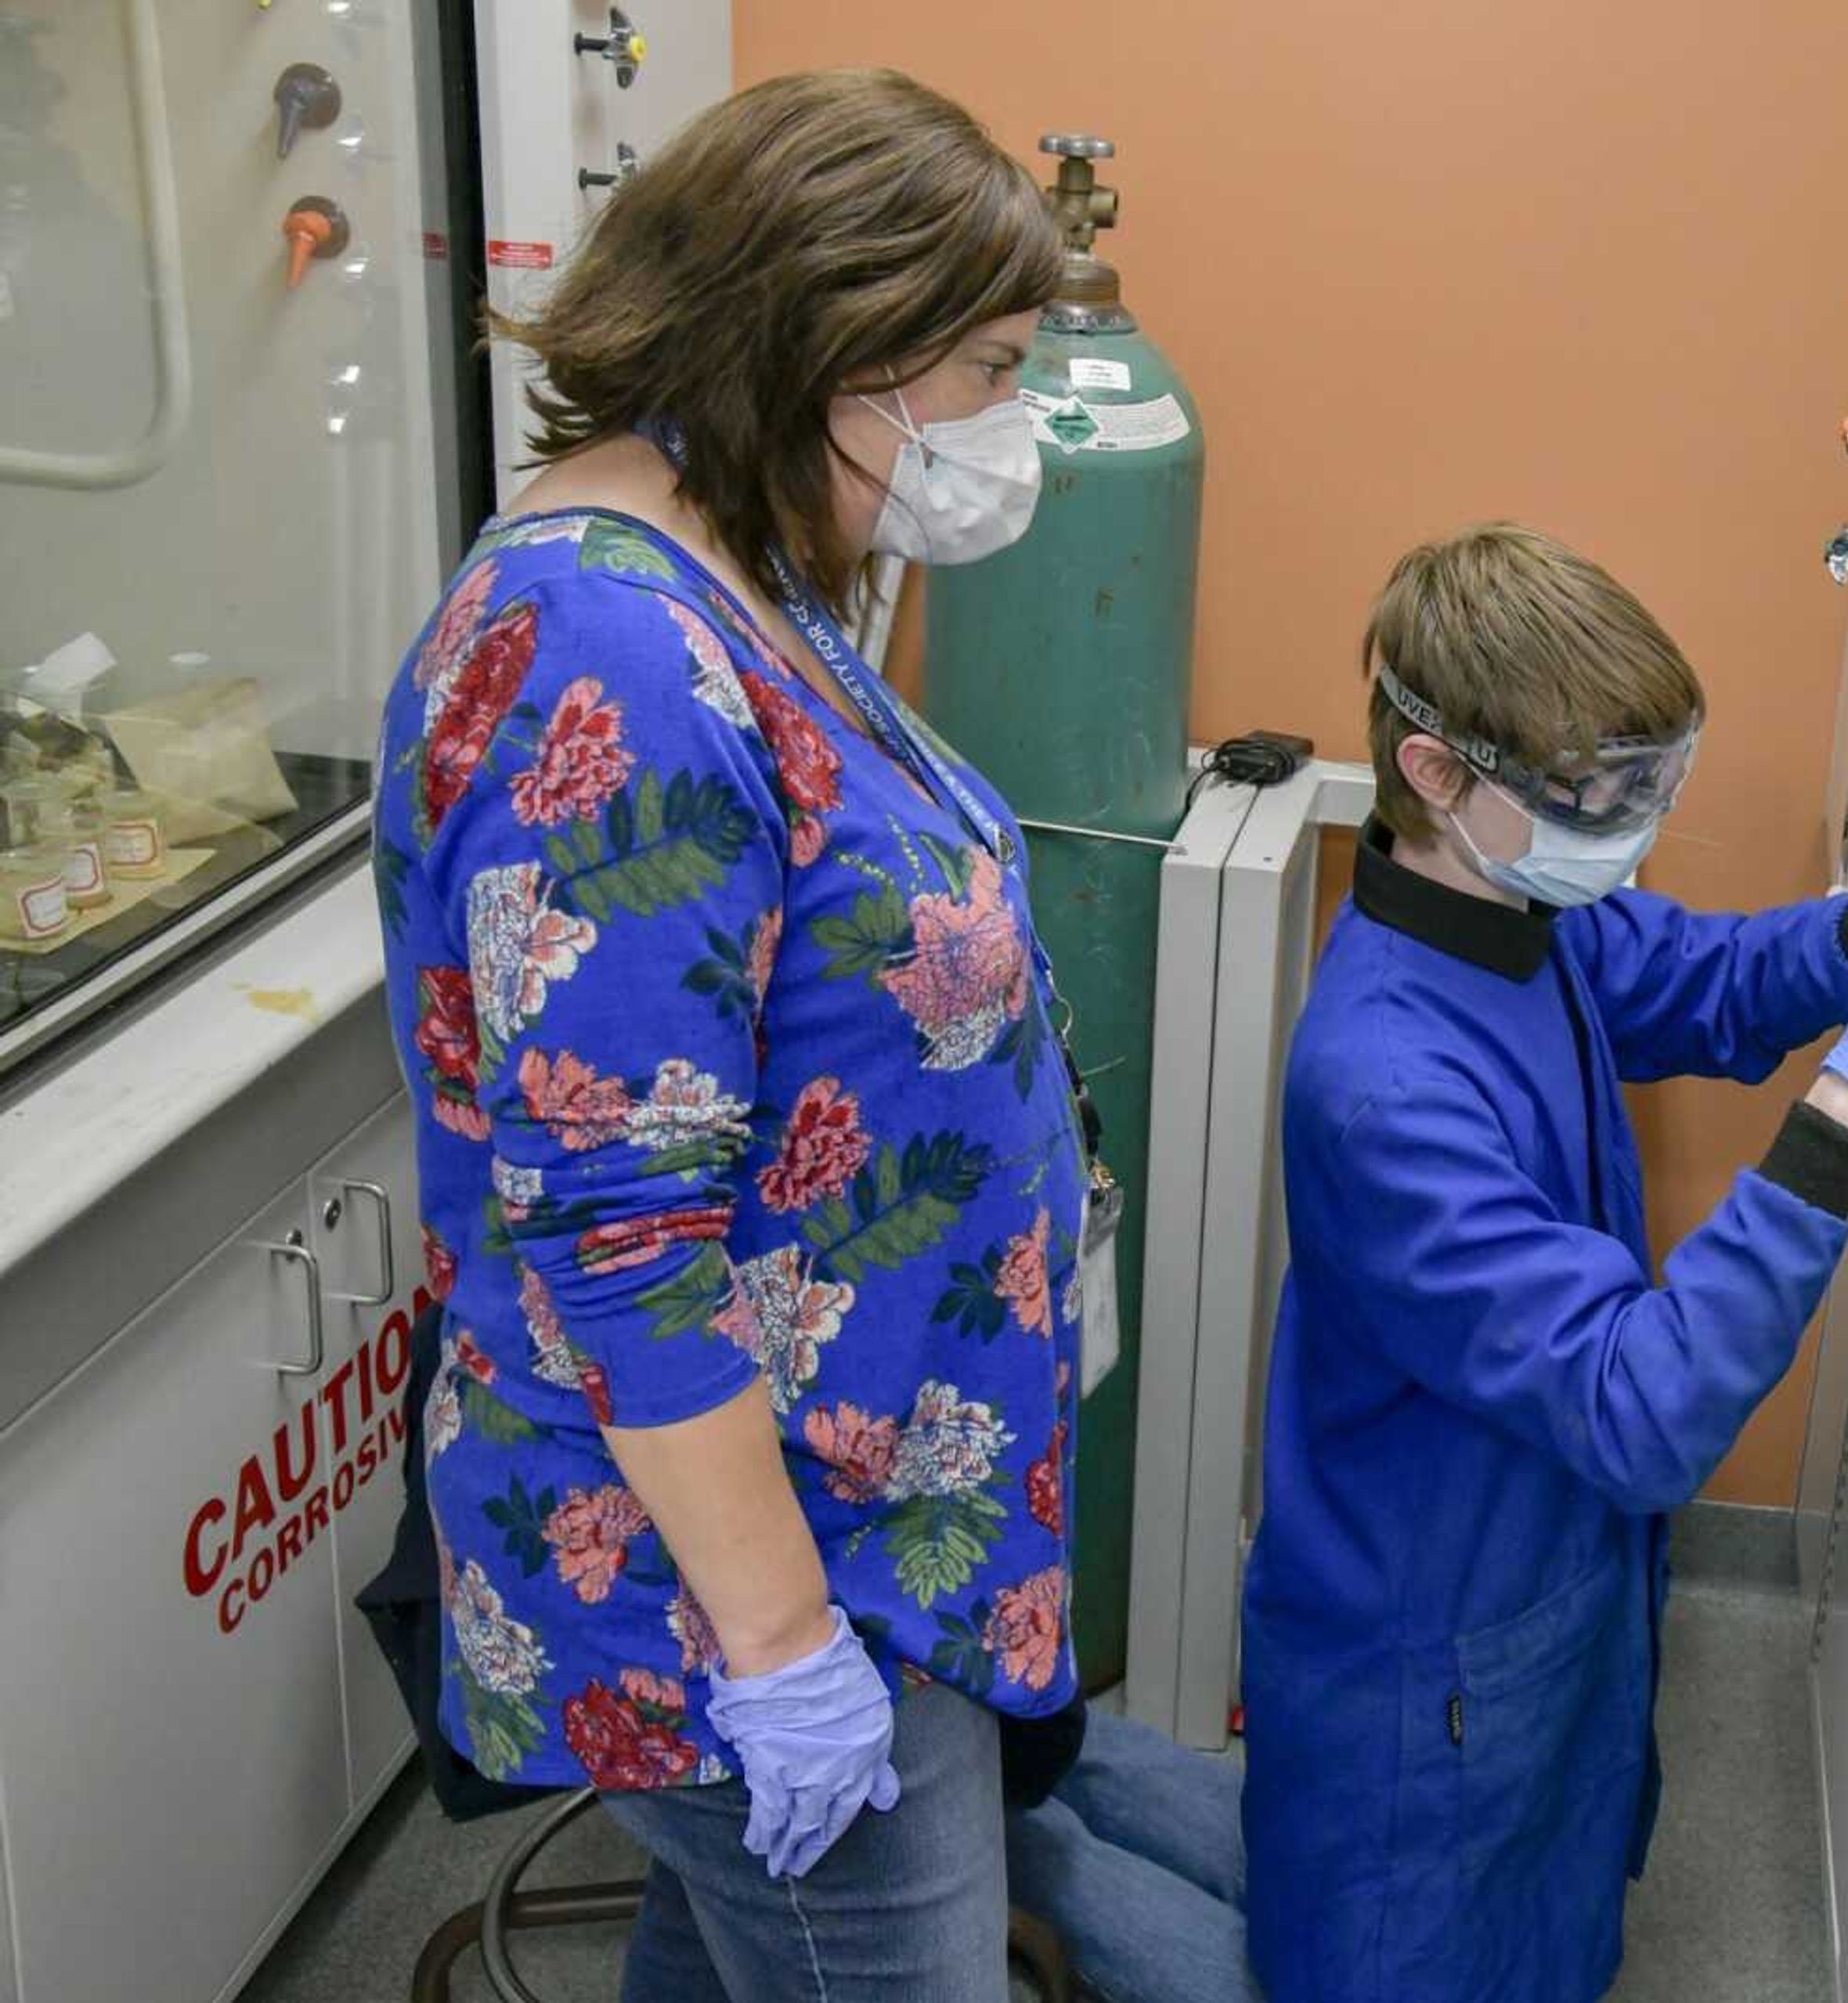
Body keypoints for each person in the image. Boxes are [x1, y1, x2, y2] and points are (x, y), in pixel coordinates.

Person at [371, 70, 1251, 2003]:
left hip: (867, 1517)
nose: (1004, 432)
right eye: (990, 371)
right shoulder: (609, 648)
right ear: (834, 340)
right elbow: (617, 1230)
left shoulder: (741, 575)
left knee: (729, 1956)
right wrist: (778, 1657)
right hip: (754, 1580)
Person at [1237, 524, 1848, 2001]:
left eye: (1657, 783)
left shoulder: (1524, 915)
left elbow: (1707, 979)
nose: (1640, 829)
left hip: (1534, 1592)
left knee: (1542, 1922)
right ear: (1435, 775)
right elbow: (1642, 1404)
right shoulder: (1387, 1078)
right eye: (1603, 796)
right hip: (1429, 1659)